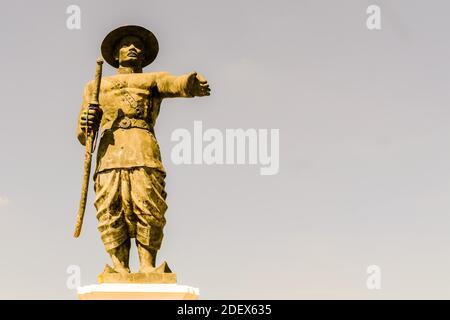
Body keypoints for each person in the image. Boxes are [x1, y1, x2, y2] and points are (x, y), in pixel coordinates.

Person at [77, 25, 210, 274]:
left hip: (143, 148)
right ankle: (119, 267)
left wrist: (190, 84)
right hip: (109, 154)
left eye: (138, 45)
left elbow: (174, 83)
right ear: (115, 53)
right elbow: (82, 134)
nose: (133, 48)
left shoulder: (152, 79)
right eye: (126, 44)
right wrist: (87, 121)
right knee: (109, 206)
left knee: (148, 204)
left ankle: (148, 265)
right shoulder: (95, 86)